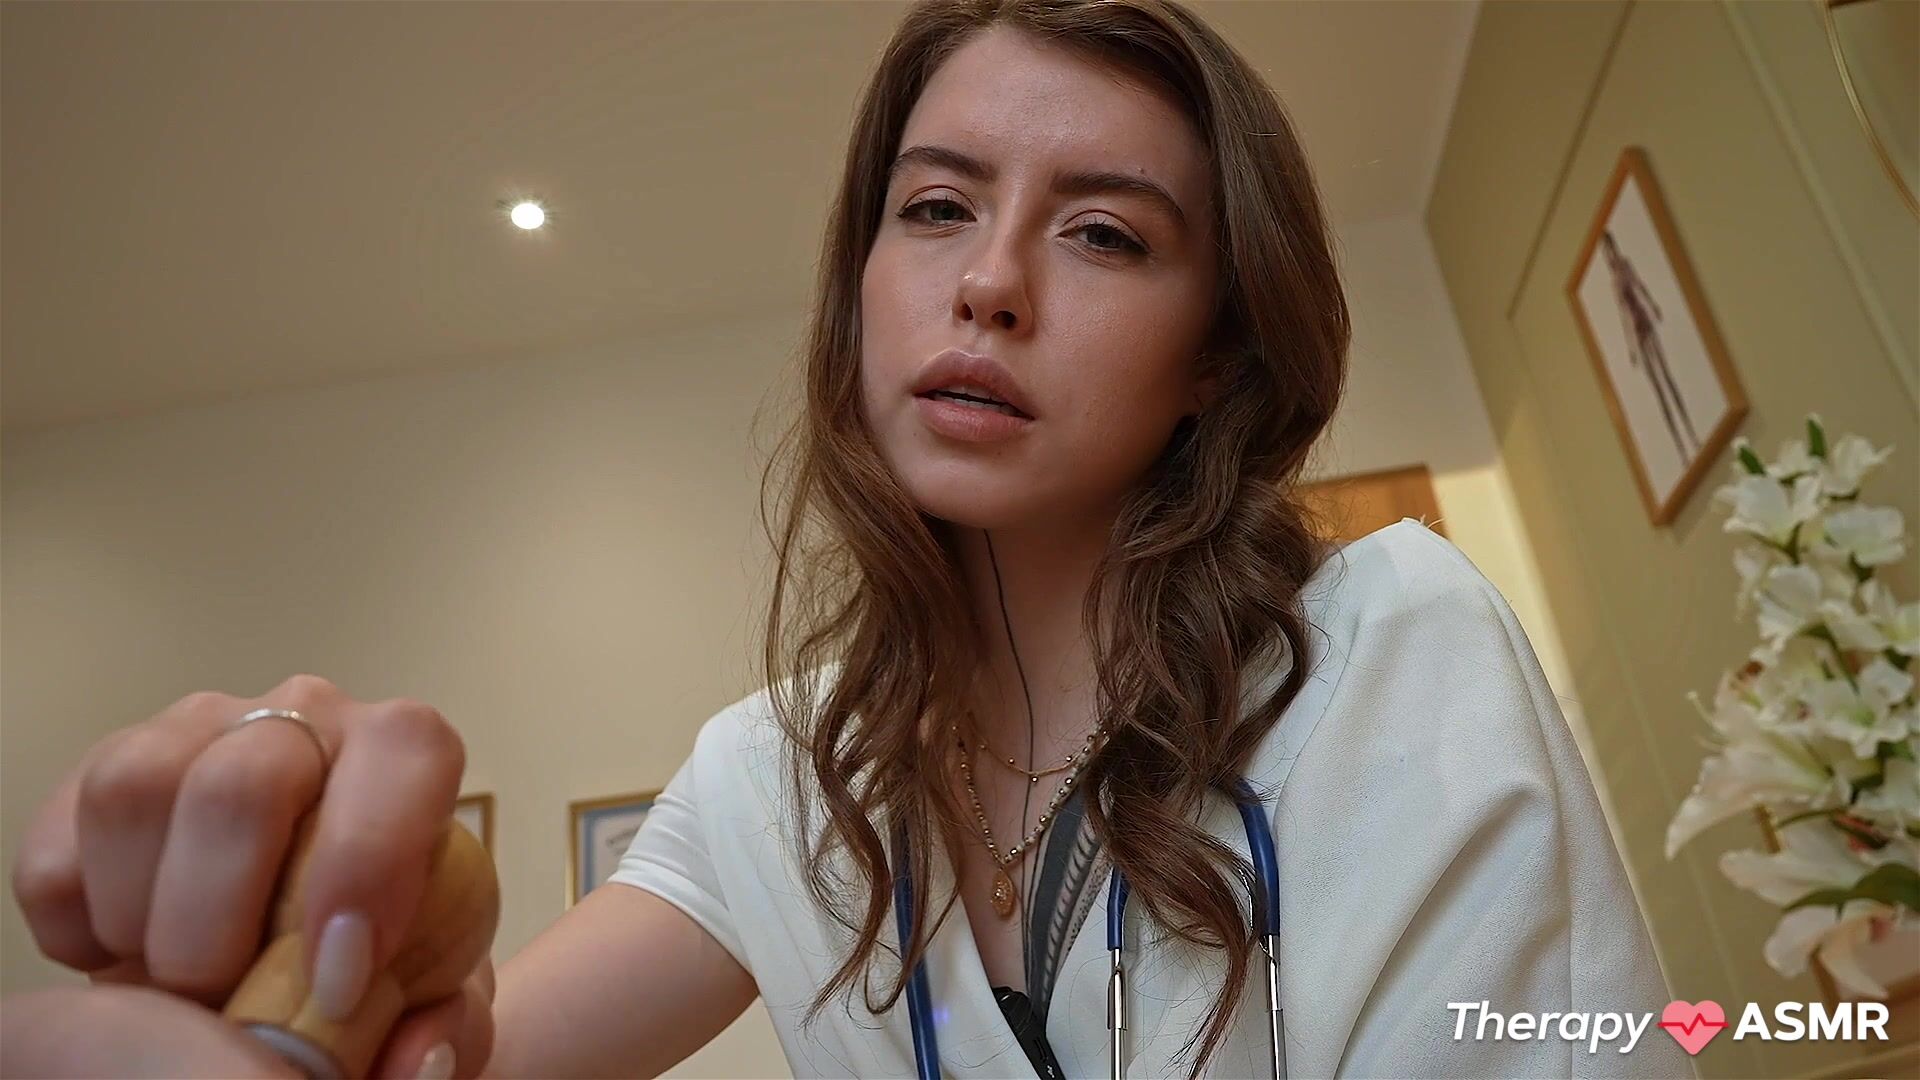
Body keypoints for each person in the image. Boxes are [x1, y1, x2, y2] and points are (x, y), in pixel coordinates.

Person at [4, 2, 1692, 1077]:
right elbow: (468, 1055)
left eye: (1104, 235)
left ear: (1215, 358)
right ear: (863, 286)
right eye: (936, 207)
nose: (990, 281)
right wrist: (320, 939)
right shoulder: (776, 779)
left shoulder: (1391, 641)